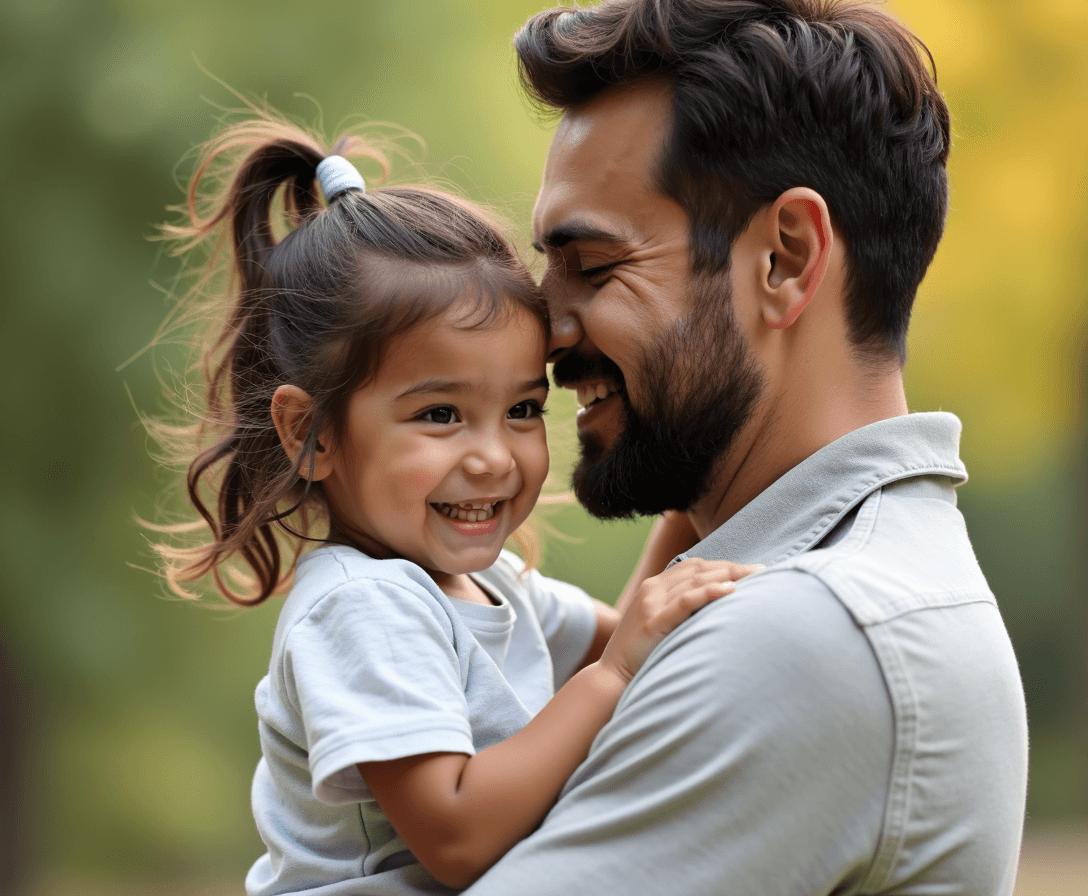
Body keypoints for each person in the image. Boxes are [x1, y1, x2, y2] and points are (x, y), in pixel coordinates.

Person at [464, 0, 1029, 893]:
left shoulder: (809, 636)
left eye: (595, 265)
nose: (543, 331)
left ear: (786, 258)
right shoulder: (855, 587)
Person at [151, 110, 755, 894]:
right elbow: (458, 834)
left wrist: (690, 508)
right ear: (312, 433)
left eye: (524, 410)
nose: (494, 456)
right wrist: (612, 675)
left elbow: (639, 630)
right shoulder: (363, 605)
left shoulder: (491, 584)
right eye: (439, 415)